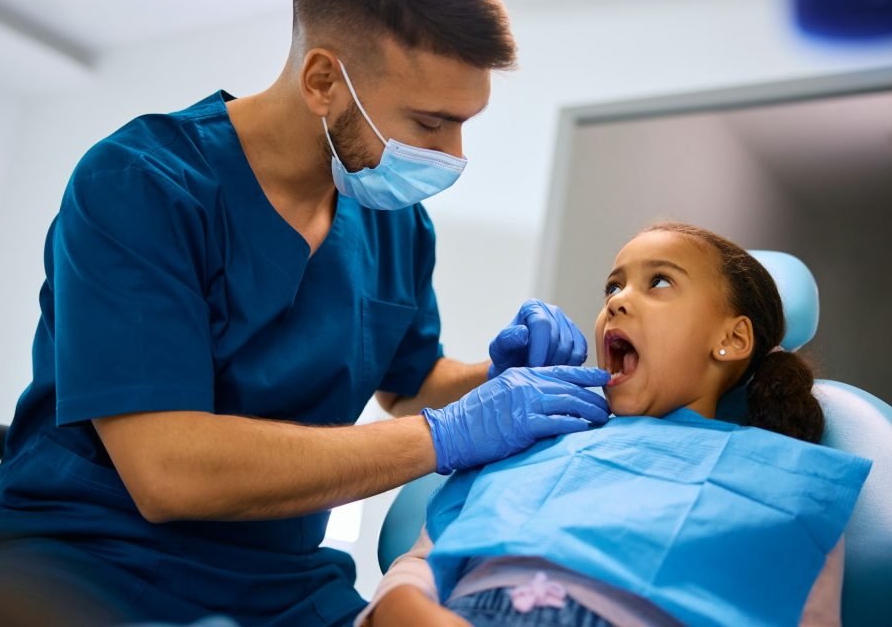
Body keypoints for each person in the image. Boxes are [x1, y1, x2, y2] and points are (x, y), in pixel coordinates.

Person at [0, 0, 613, 626]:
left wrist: (493, 382)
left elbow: (409, 382)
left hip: (280, 581)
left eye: (465, 124)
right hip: (84, 564)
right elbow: (168, 470)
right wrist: (448, 434)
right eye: (431, 123)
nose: (454, 155)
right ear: (323, 80)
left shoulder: (396, 225)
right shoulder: (142, 184)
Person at [360, 222, 872, 627]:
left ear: (732, 339)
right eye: (613, 284)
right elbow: (423, 560)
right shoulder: (530, 433)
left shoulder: (788, 483)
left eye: (661, 281)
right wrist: (401, 604)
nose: (617, 300)